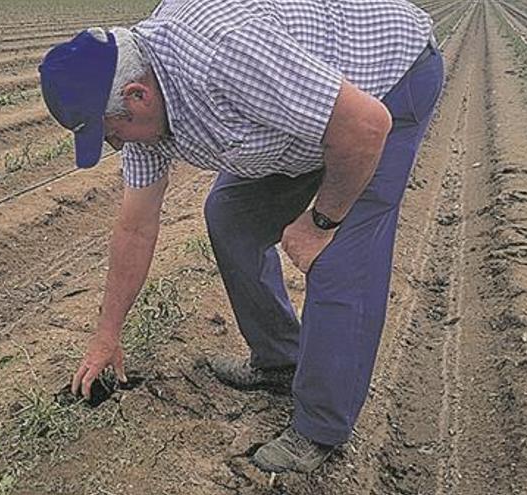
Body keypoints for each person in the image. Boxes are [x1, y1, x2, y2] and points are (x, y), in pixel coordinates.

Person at [38, 0, 442, 474]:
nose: (115, 143)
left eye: (110, 130)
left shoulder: (223, 57)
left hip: (386, 85)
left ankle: (320, 428)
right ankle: (278, 361)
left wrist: (321, 222)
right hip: (308, 110)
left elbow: (364, 126)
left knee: (337, 258)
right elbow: (135, 225)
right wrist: (106, 336)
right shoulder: (146, 106)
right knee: (230, 213)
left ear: (137, 96)